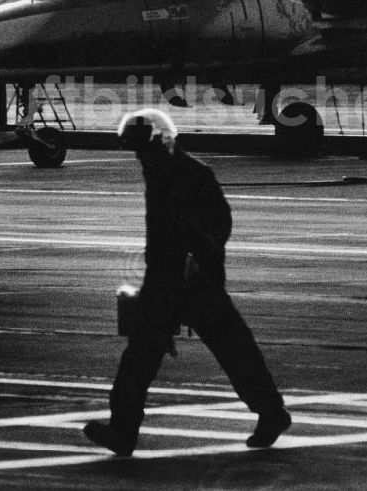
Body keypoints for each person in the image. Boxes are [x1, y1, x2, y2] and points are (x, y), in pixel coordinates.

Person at [84, 109, 291, 456]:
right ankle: (123, 430)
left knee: (226, 350)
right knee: (151, 356)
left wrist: (200, 257)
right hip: (168, 277)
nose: (138, 157)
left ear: (157, 141)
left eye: (140, 148)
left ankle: (271, 413)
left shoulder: (192, 174)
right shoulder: (162, 169)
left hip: (192, 280)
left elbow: (219, 224)